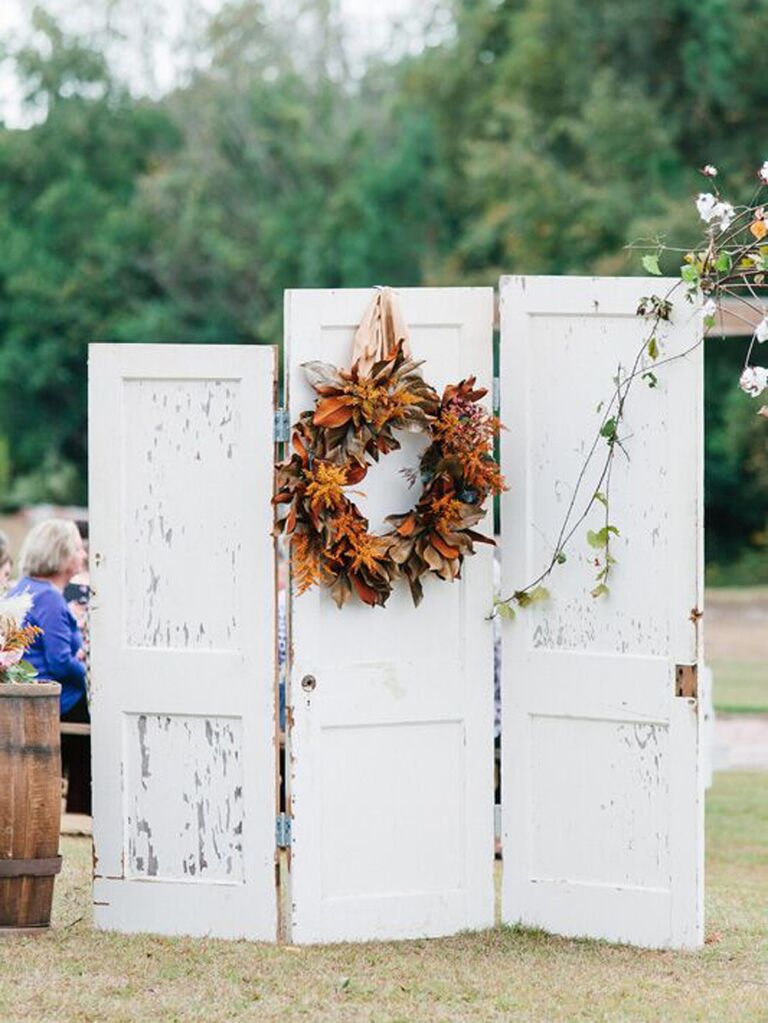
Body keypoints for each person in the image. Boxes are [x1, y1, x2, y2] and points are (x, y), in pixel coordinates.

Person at [8, 518, 90, 812]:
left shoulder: (21, 589)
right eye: (79, 549)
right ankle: (83, 808)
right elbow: (60, 663)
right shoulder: (51, 599)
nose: (83, 555)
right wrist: (90, 673)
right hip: (51, 698)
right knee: (99, 716)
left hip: (23, 694)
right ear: (62, 555)